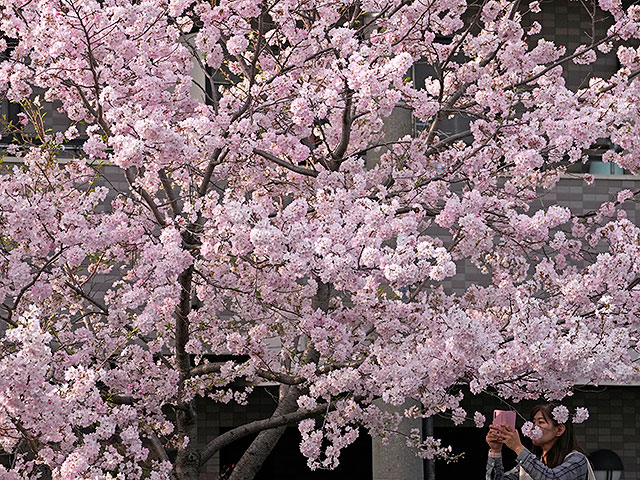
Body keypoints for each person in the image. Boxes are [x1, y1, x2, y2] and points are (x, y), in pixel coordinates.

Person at [485, 403, 596, 480]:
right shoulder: (533, 462)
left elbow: (552, 478)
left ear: (559, 430)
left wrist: (518, 447)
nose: (534, 427)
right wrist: (496, 450)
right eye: (533, 422)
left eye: (541, 422)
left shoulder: (577, 460)